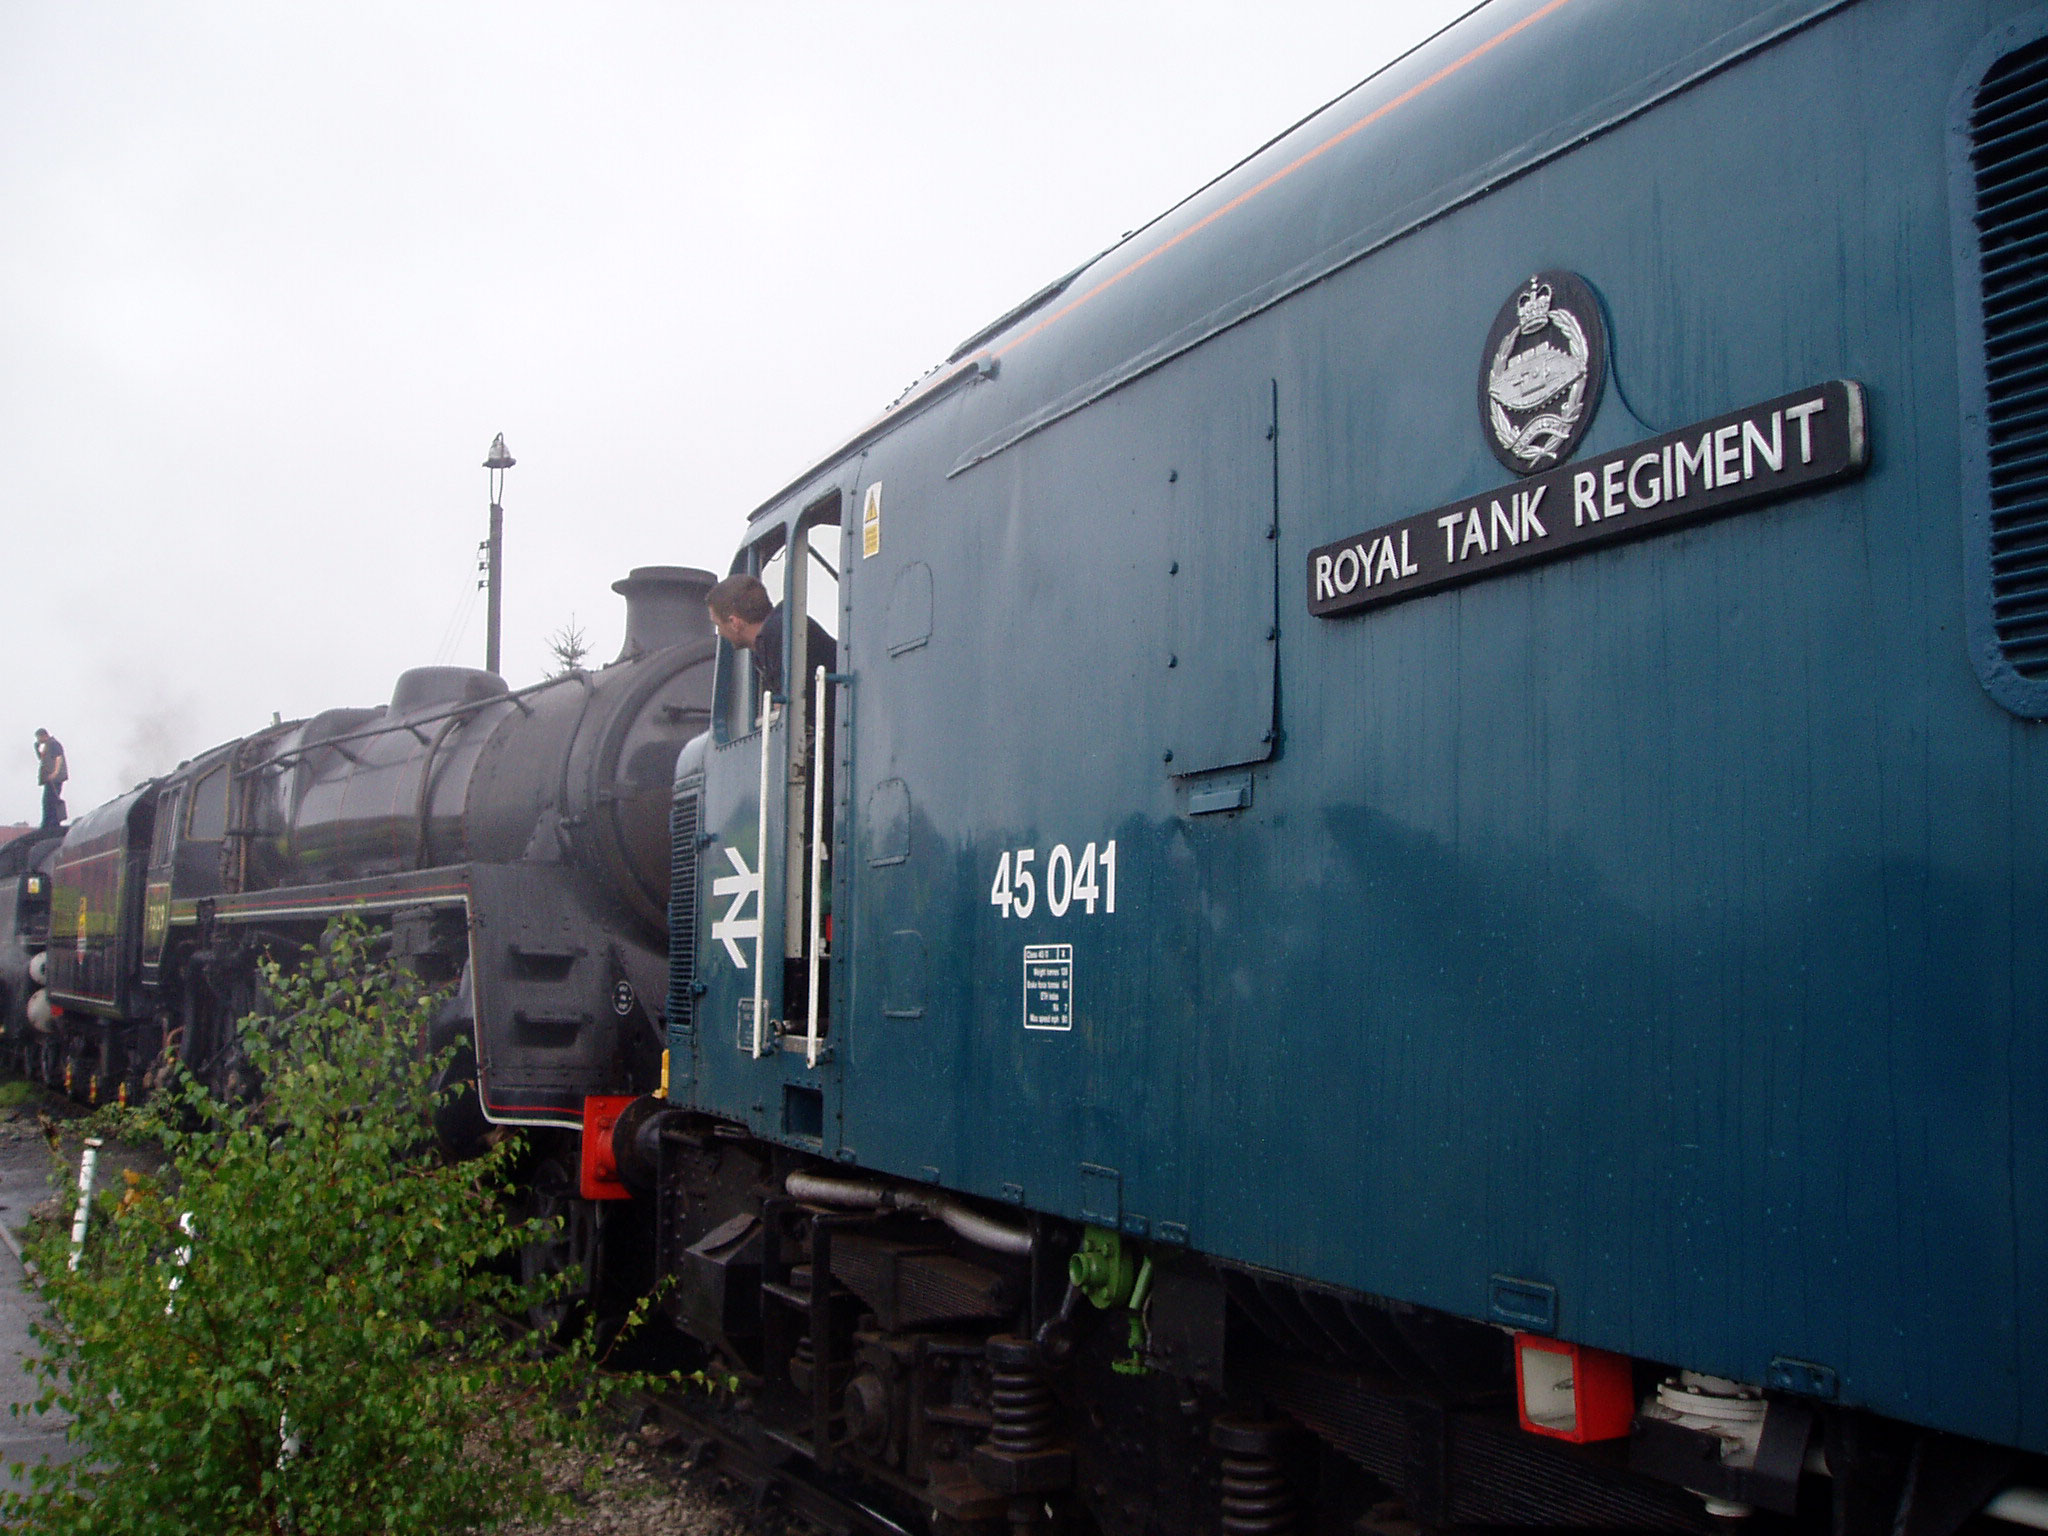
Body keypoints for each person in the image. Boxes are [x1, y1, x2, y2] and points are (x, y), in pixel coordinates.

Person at [706, 572, 836, 703]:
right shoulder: (780, 630)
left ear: (735, 623)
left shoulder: (778, 635)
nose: (720, 633)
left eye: (718, 625)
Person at [33, 729, 66, 831]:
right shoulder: (47, 746)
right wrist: (37, 748)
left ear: (43, 736)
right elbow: (42, 759)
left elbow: (58, 758)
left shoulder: (54, 744)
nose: (38, 740)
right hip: (50, 778)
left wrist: (55, 773)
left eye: (38, 738)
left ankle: (52, 822)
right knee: (48, 800)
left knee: (50, 799)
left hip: (55, 778)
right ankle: (49, 822)